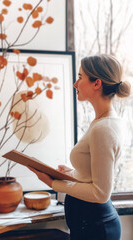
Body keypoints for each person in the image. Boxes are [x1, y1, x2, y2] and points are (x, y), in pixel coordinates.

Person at [28, 54, 131, 240]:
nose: (75, 84)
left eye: (80, 77)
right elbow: (93, 175)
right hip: (90, 224)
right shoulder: (102, 122)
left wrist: (54, 183)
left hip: (96, 228)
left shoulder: (104, 128)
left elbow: (100, 193)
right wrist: (72, 173)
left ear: (97, 83)